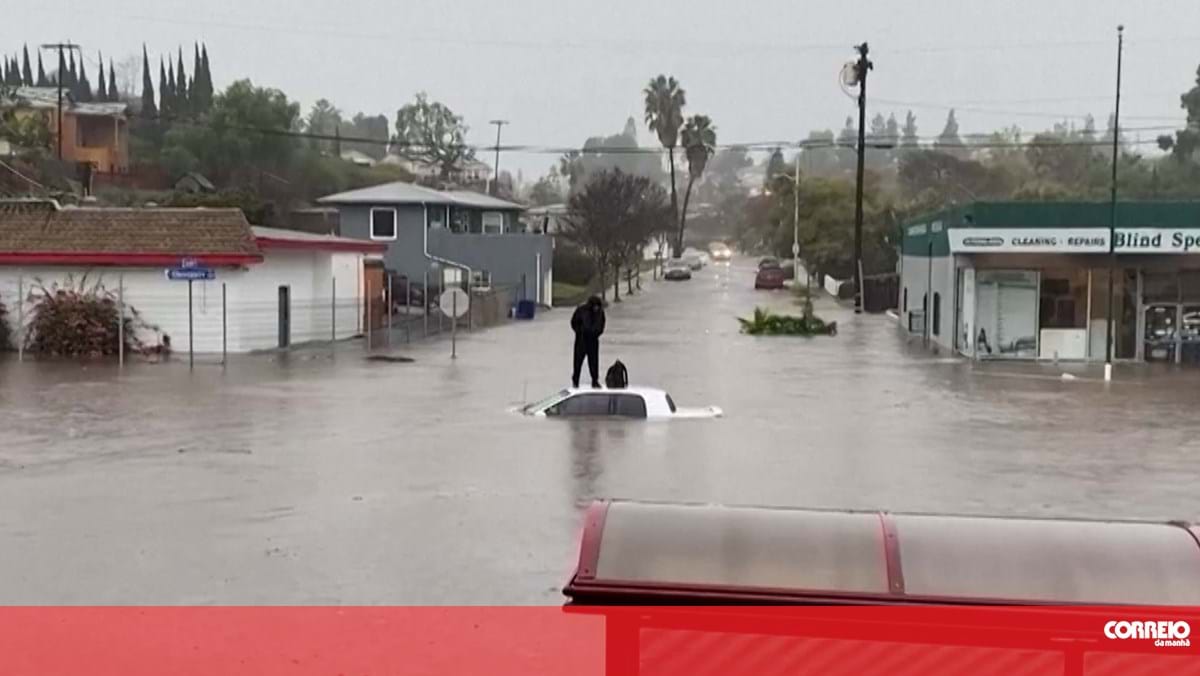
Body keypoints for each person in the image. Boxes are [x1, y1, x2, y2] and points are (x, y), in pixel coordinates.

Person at [570, 295, 606, 388]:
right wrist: (579, 331)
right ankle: (575, 380)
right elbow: (573, 322)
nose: (596, 308)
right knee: (577, 362)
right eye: (595, 306)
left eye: (598, 306)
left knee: (594, 362)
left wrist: (597, 333)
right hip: (581, 340)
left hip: (593, 340)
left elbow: (602, 325)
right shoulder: (581, 310)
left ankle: (595, 381)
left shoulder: (600, 313)